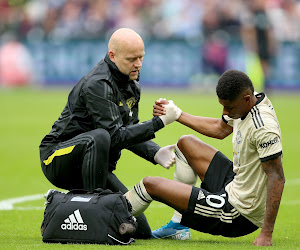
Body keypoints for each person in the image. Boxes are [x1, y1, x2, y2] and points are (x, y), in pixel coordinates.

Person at [39, 28, 181, 239]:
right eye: (132, 59)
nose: (139, 64)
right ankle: (91, 210)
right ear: (112, 56)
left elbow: (128, 130)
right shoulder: (98, 83)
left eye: (142, 57)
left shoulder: (131, 83)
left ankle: (72, 204)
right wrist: (159, 123)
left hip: (92, 165)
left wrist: (155, 152)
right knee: (101, 136)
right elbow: (115, 136)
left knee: (140, 229)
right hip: (57, 157)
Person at [125, 69, 285, 246]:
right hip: (235, 183)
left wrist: (267, 233)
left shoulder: (263, 128)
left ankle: (108, 220)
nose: (224, 112)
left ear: (246, 99)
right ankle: (178, 227)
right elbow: (220, 128)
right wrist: (177, 114)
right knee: (186, 143)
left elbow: (277, 177)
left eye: (228, 107)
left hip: (240, 212)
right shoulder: (250, 99)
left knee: (150, 185)